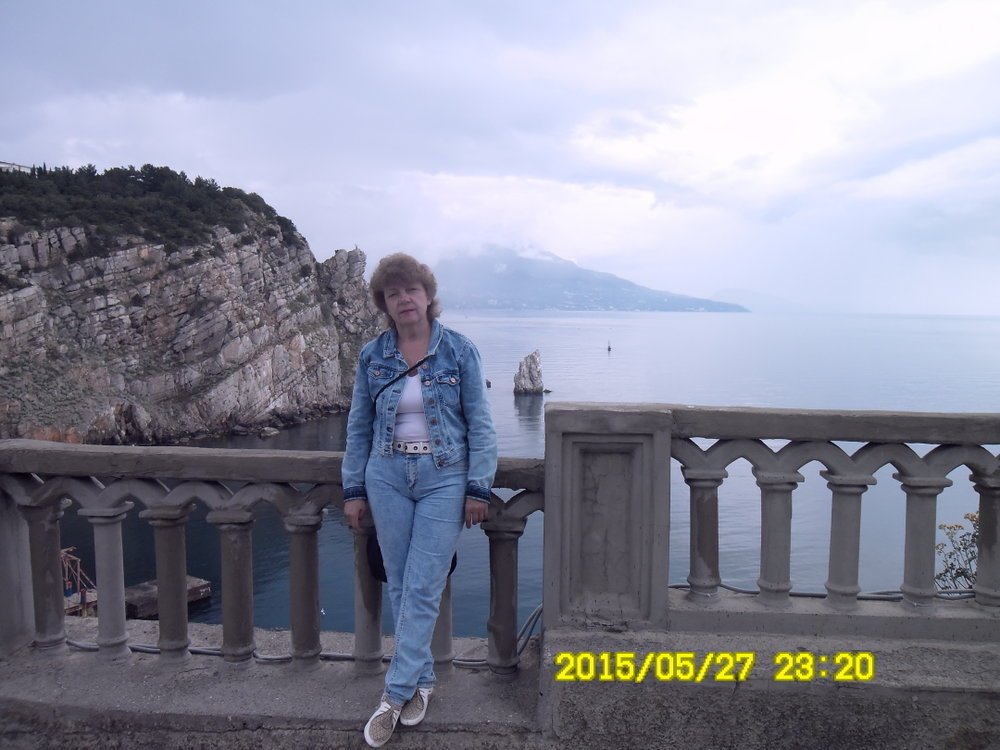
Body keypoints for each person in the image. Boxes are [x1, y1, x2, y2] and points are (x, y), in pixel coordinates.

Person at [341, 252, 497, 748]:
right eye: (393, 293)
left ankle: (392, 696)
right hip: (386, 475)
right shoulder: (372, 356)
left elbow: (481, 425)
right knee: (401, 583)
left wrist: (478, 486)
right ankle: (422, 681)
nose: (404, 299)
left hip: (443, 476)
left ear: (428, 295)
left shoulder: (459, 351)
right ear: (385, 304)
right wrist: (353, 489)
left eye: (411, 289)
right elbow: (359, 427)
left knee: (424, 584)